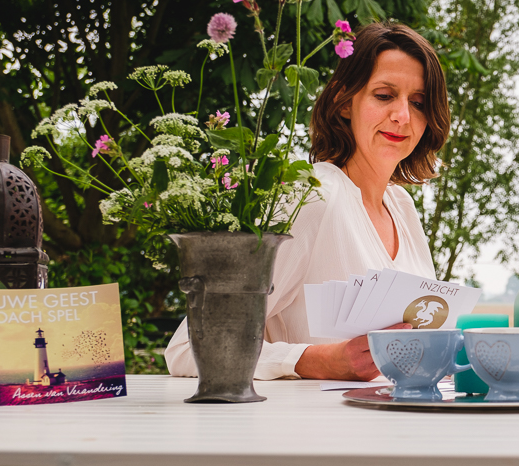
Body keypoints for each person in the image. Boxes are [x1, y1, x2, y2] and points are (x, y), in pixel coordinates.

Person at [164, 22, 450, 384]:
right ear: (344, 102)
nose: (402, 116)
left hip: (404, 428)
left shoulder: (403, 208)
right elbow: (188, 348)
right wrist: (313, 360)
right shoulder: (313, 197)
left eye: (419, 103)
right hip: (317, 435)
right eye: (383, 95)